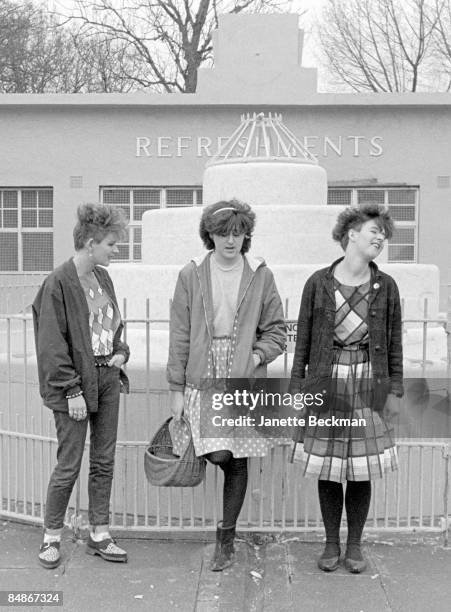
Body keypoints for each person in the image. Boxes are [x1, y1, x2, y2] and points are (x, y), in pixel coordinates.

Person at [167, 199, 286, 571]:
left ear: (246, 234)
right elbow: (180, 333)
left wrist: (255, 356)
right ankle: (225, 534)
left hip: (244, 377)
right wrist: (176, 388)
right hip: (204, 374)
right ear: (210, 235)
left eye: (237, 232)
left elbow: (278, 332)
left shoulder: (261, 276)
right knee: (217, 452)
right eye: (222, 233)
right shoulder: (191, 275)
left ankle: (227, 538)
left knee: (238, 459)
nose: (230, 240)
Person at [290, 203, 403, 574]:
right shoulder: (318, 282)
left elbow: (394, 339)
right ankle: (330, 543)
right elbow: (303, 338)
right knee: (328, 466)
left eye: (384, 234)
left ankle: (354, 545)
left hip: (369, 380)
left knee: (361, 468)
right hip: (328, 378)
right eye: (374, 231)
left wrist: (395, 388)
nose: (381, 238)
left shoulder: (385, 286)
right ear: (351, 234)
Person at [32, 203, 130, 569]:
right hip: (75, 386)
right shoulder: (57, 283)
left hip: (107, 379)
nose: (115, 249)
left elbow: (115, 326)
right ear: (90, 243)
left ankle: (99, 534)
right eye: (110, 243)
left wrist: (121, 351)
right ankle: (51, 537)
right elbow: (51, 344)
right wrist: (71, 391)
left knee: (103, 461)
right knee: (69, 463)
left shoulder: (103, 278)